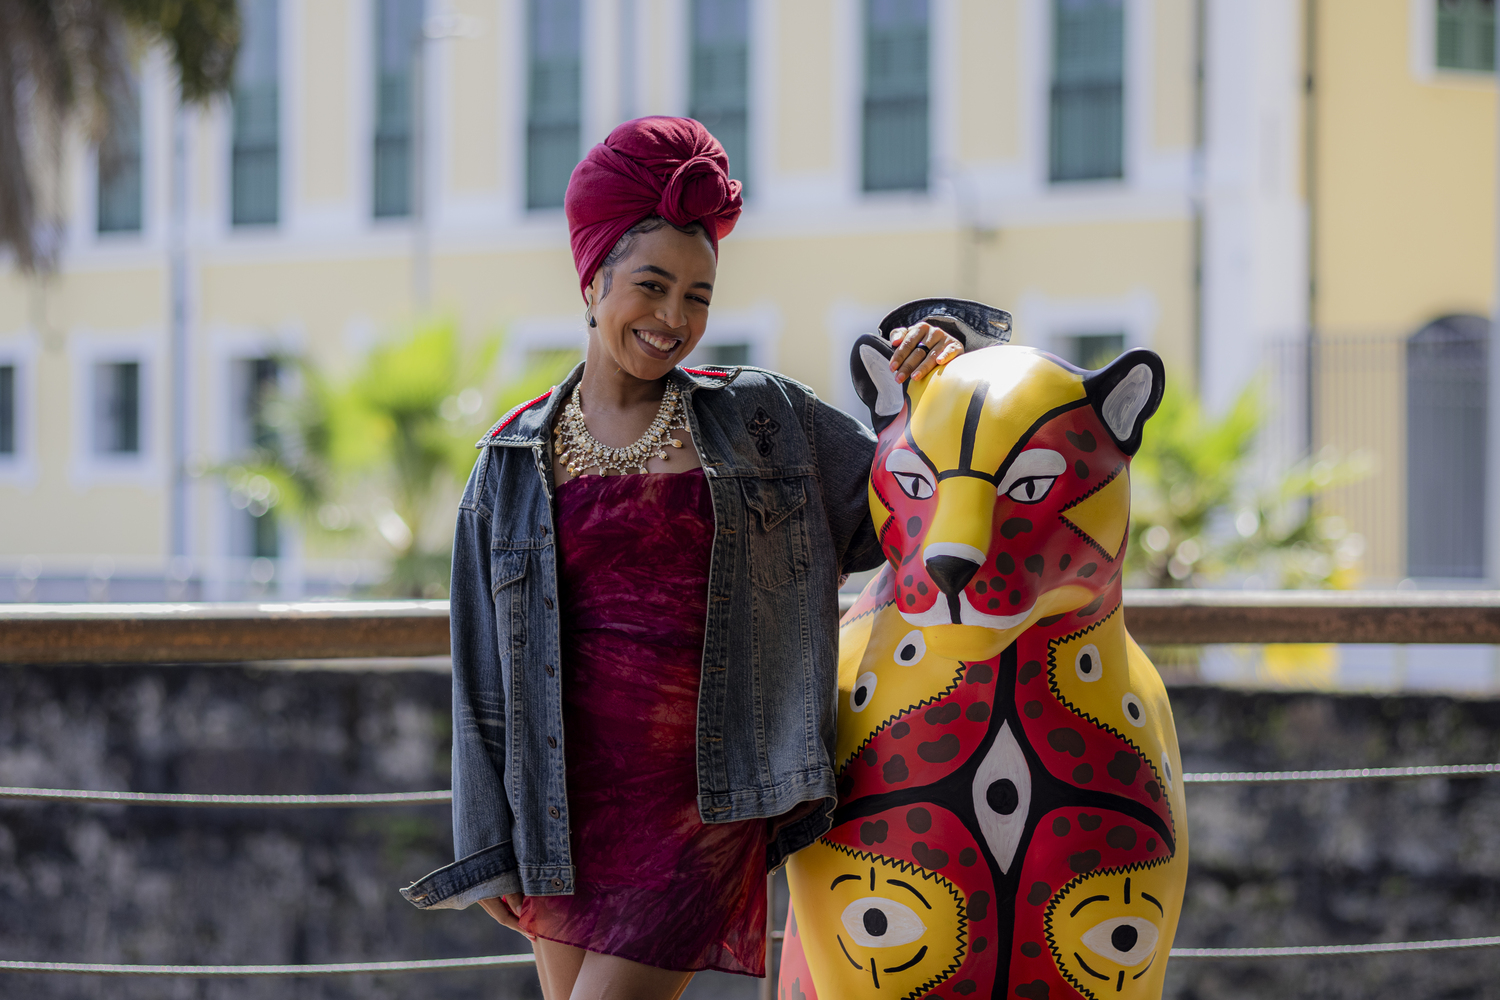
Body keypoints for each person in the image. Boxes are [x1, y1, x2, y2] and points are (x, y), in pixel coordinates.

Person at [401, 117, 1005, 1000]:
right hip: (565, 815)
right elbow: (482, 667)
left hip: (706, 806)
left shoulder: (766, 423)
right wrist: (490, 840)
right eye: (651, 287)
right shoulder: (510, 459)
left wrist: (953, 360)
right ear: (593, 280)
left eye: (698, 297)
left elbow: (916, 495)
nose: (674, 320)